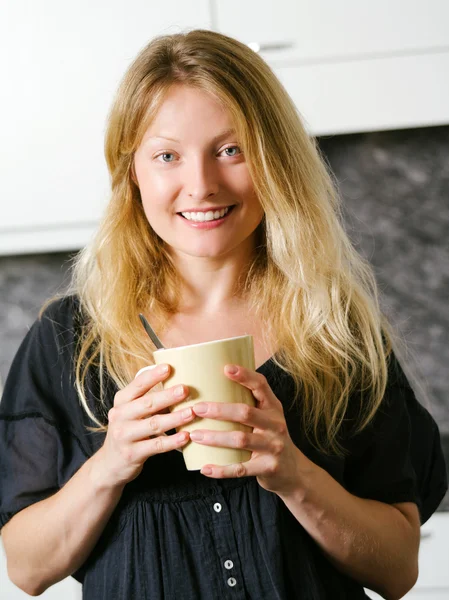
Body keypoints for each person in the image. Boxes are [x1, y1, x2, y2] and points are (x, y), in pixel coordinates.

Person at [0, 29, 447, 600]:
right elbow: (26, 568)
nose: (202, 185)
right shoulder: (68, 340)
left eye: (230, 150)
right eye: (167, 156)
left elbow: (398, 570)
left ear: (273, 159)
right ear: (132, 172)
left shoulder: (337, 332)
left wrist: (296, 476)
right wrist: (110, 463)